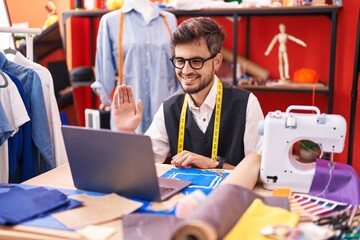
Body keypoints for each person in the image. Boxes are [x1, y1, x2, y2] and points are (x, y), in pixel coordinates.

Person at [113, 17, 264, 170]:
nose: (185, 70)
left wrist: (213, 164)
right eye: (180, 61)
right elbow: (139, 166)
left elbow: (261, 171)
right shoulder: (169, 108)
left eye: (196, 61)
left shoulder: (246, 104)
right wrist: (127, 132)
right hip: (184, 195)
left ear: (217, 62)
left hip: (231, 193)